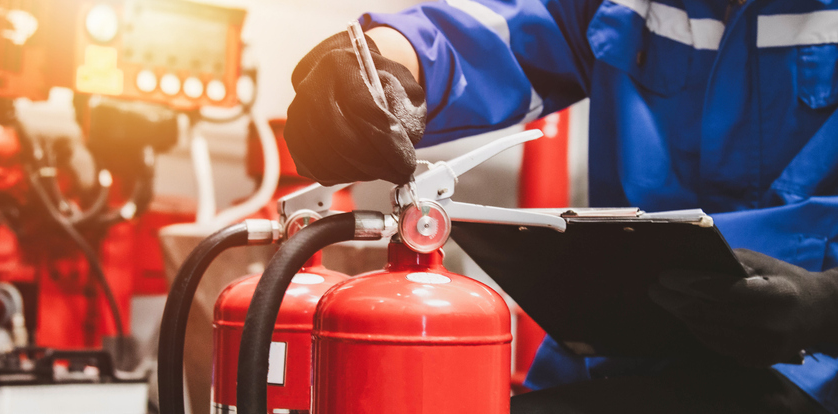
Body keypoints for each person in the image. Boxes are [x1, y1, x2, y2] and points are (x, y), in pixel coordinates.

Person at [283, 0, 838, 412]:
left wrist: (827, 308)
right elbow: (497, 28)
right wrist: (376, 67)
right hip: (612, 360)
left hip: (811, 375)